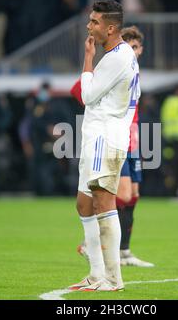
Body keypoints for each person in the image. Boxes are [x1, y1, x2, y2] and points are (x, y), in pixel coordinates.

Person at [68, 0, 140, 292]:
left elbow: (86, 95)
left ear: (110, 28)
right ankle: (96, 274)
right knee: (84, 204)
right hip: (94, 136)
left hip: (106, 138)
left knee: (103, 202)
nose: (89, 26)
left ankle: (113, 278)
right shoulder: (113, 54)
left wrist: (87, 58)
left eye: (94, 22)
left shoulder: (117, 58)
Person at [72, 26, 154, 267]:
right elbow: (80, 91)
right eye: (129, 45)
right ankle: (93, 243)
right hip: (116, 141)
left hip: (134, 142)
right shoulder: (114, 67)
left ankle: (124, 251)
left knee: (133, 196)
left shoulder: (133, 71)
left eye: (136, 46)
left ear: (141, 50)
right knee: (121, 194)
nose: (133, 50)